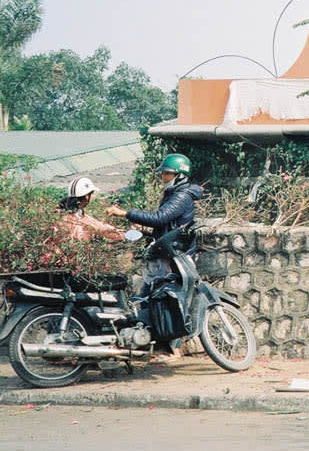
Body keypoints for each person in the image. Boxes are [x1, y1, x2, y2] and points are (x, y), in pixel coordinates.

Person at [106, 153, 204, 362]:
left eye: (167, 174)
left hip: (178, 257)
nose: (163, 177)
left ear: (179, 175)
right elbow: (164, 226)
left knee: (174, 302)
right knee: (148, 298)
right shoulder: (172, 194)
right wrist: (146, 233)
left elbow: (160, 218)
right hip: (167, 254)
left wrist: (125, 213)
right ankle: (157, 344)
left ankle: (174, 350)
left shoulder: (182, 195)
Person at [58, 177, 124, 242]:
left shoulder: (57, 216)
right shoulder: (87, 223)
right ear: (87, 196)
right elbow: (118, 235)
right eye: (91, 193)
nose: (93, 196)